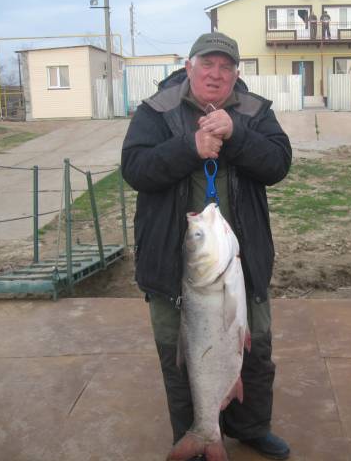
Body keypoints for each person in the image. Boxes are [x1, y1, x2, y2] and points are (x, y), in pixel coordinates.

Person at [121, 32, 292, 460]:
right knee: (180, 356)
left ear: (236, 72)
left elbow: (277, 164)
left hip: (241, 261)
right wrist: (189, 147)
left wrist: (236, 135)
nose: (216, 74)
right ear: (189, 65)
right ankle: (196, 433)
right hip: (170, 262)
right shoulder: (155, 111)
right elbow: (136, 169)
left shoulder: (254, 112)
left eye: (226, 66)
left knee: (254, 348)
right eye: (208, 64)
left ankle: (251, 427)